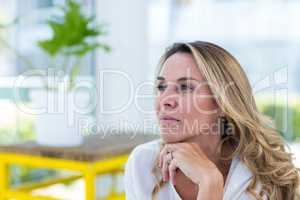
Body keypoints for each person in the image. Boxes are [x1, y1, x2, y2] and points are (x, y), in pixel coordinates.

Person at [124, 41, 300, 200]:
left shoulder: (261, 176)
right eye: (161, 87)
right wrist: (210, 181)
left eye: (185, 87)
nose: (165, 100)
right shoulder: (144, 163)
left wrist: (209, 180)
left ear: (222, 104)